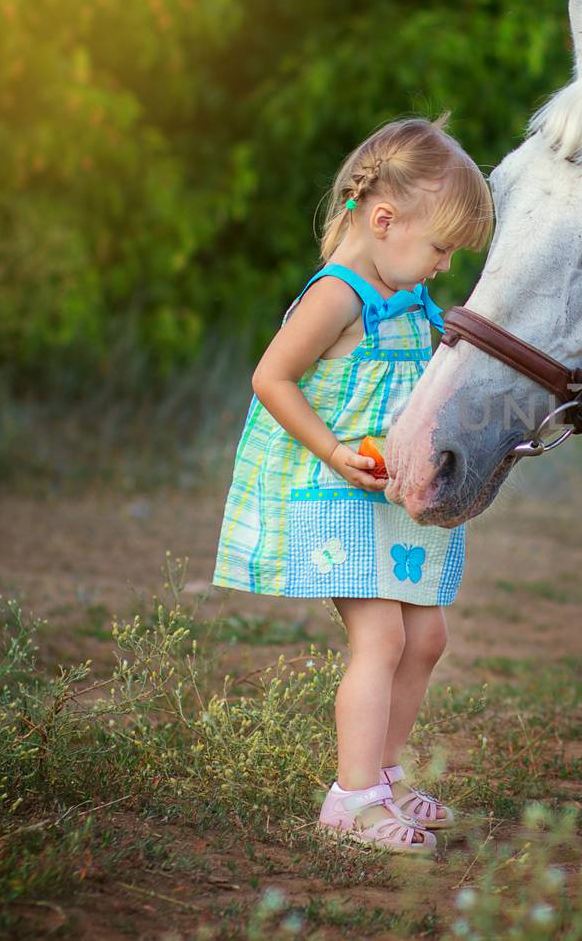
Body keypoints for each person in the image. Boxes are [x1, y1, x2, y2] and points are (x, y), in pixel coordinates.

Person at [212, 115, 493, 853]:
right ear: (383, 218)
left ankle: (385, 773)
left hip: (390, 491)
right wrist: (334, 449)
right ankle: (353, 797)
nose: (442, 266)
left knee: (426, 634)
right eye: (439, 247)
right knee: (382, 635)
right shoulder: (337, 295)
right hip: (335, 489)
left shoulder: (414, 301)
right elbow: (271, 377)